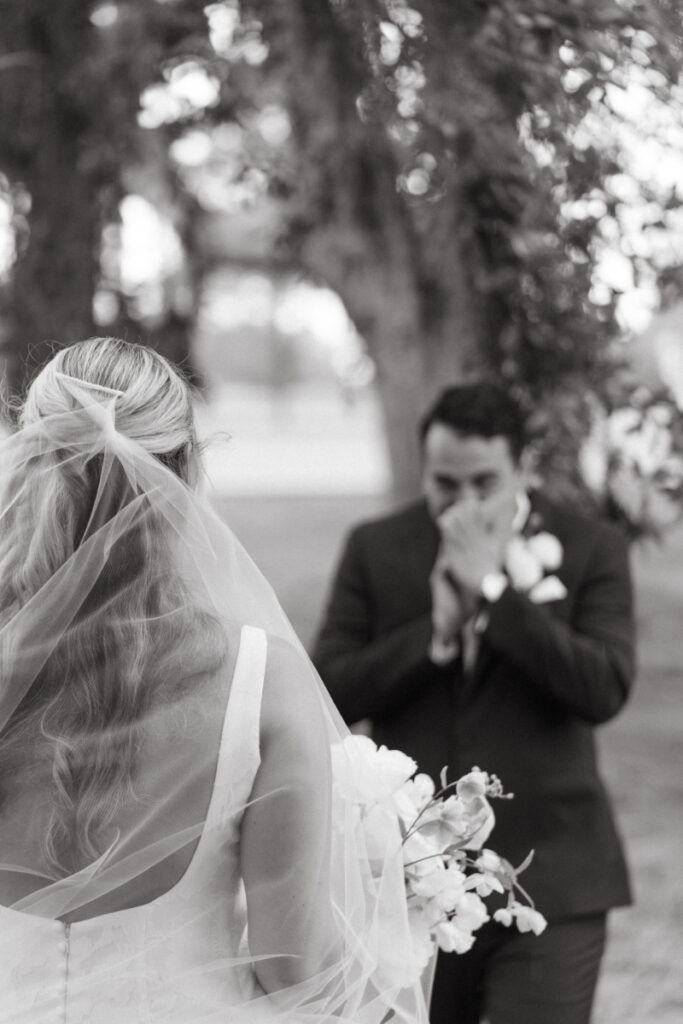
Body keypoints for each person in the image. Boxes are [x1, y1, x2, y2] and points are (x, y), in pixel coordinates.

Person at [0, 337, 429, 1024]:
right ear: (186, 473)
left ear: (28, 464)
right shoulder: (263, 684)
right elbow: (294, 971)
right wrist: (390, 916)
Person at [313, 382, 635, 1024]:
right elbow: (328, 690)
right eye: (444, 483)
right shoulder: (376, 546)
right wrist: (434, 636)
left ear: (524, 467)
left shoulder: (592, 546)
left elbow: (603, 687)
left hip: (552, 878)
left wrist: (492, 591)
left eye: (485, 483)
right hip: (408, 879)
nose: (462, 503)